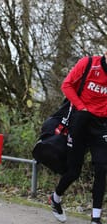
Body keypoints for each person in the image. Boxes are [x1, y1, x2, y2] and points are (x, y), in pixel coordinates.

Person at [49, 53, 107, 224]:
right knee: (74, 171)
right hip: (80, 121)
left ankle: (95, 217)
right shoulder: (88, 64)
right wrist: (81, 107)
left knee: (102, 168)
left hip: (101, 125)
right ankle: (56, 198)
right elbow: (66, 85)